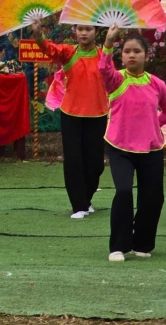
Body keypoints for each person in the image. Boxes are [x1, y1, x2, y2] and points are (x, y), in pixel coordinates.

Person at [98, 26, 166, 262]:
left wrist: (154, 123)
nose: (131, 55)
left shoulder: (156, 84)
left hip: (151, 148)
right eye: (127, 52)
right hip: (120, 146)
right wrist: (109, 42)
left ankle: (141, 243)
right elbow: (103, 68)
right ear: (122, 56)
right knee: (123, 192)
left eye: (137, 51)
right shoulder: (116, 79)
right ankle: (118, 246)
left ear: (146, 55)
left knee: (153, 196)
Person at [31, 16, 108, 218]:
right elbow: (50, 50)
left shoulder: (103, 56)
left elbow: (112, 78)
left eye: (88, 29)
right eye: (80, 28)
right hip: (71, 114)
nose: (84, 33)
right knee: (74, 160)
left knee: (95, 164)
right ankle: (79, 205)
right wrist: (38, 35)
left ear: (97, 32)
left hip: (98, 114)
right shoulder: (69, 52)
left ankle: (86, 198)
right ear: (74, 31)